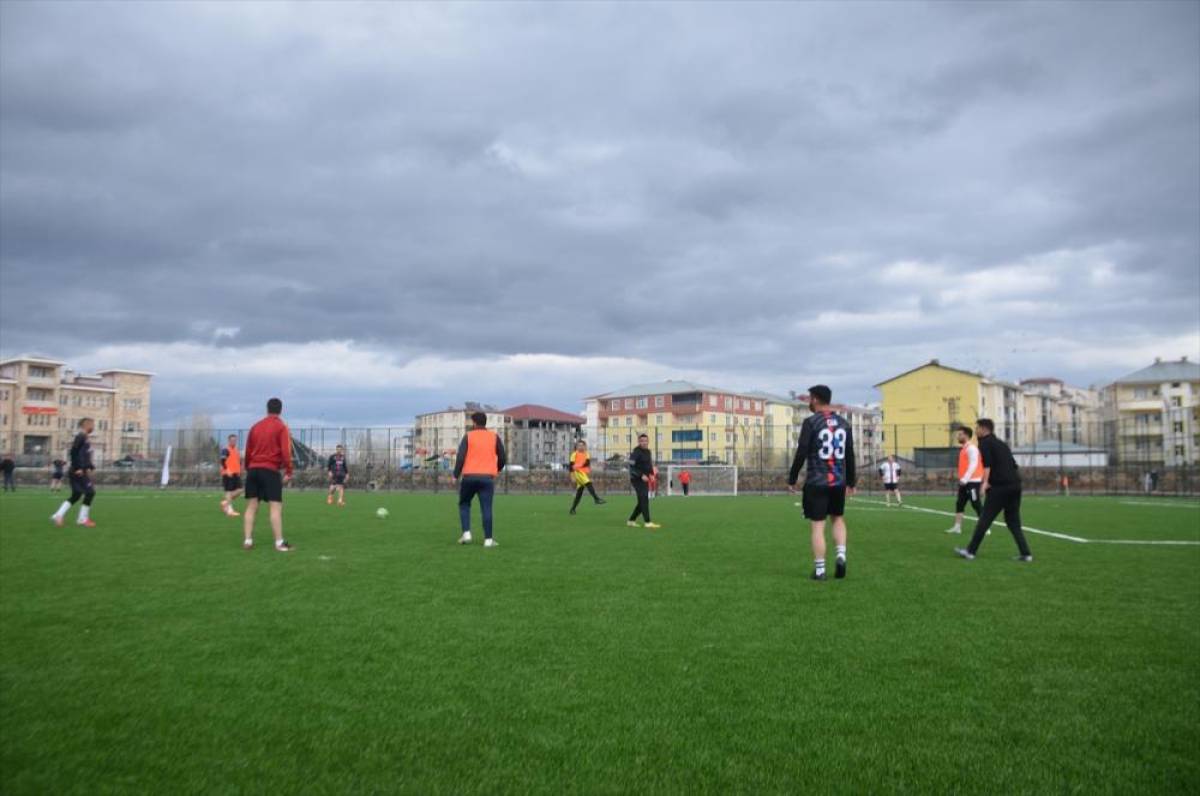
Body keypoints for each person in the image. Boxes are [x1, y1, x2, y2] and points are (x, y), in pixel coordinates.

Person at [788, 385, 856, 581]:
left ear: (816, 399)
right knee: (838, 519)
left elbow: (802, 451)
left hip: (816, 482)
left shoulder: (811, 422)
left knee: (818, 526)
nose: (809, 401)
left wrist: (792, 478)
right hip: (838, 482)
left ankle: (820, 571)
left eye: (810, 398)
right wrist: (851, 481)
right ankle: (841, 555)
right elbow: (850, 454)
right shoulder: (844, 423)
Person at [955, 418, 1033, 562]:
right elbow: (1014, 465)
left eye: (977, 428)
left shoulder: (985, 443)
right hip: (1015, 486)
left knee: (985, 519)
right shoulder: (1001, 444)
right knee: (1013, 522)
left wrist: (985, 484)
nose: (976, 431)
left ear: (984, 429)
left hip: (1000, 488)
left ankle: (970, 551)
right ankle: (1026, 554)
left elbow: (987, 466)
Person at [242, 398, 294, 552]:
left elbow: (248, 450)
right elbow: (286, 452)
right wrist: (289, 471)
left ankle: (248, 541)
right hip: (270, 470)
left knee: (252, 506)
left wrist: (248, 468)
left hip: (253, 470)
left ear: (267, 409)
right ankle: (279, 543)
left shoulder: (255, 427)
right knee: (275, 507)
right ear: (281, 410)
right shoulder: (281, 427)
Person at [453, 411, 507, 547]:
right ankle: (488, 540)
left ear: (474, 423)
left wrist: (455, 474)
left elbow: (460, 457)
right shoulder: (494, 437)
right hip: (487, 478)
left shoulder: (468, 436)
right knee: (486, 508)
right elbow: (502, 457)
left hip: (469, 477)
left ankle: (466, 533)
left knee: (464, 504)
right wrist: (497, 469)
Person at [50, 418, 98, 527]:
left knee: (77, 494)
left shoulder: (84, 437)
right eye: (92, 424)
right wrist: (79, 468)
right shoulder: (81, 436)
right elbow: (74, 452)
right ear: (86, 425)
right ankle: (82, 519)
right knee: (90, 492)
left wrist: (90, 466)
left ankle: (58, 515)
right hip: (77, 471)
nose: (93, 427)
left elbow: (84, 455)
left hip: (78, 470)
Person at [946, 426, 984, 534]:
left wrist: (965, 478)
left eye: (960, 434)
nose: (958, 436)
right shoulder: (964, 449)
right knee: (960, 503)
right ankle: (957, 527)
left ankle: (985, 527)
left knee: (976, 504)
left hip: (973, 481)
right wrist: (963, 479)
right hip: (965, 482)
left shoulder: (972, 448)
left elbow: (973, 464)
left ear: (966, 435)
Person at [627, 433, 660, 529]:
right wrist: (641, 475)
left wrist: (651, 474)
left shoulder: (648, 452)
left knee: (642, 501)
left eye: (646, 441)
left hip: (645, 479)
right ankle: (647, 522)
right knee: (644, 499)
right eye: (642, 441)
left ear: (648, 441)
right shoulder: (636, 452)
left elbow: (649, 465)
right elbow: (631, 466)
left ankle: (631, 520)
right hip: (636, 479)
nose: (644, 443)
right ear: (639, 442)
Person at [568, 440, 605, 515]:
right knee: (588, 483)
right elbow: (571, 466)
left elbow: (587, 463)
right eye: (579, 445)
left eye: (582, 445)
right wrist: (572, 476)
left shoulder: (586, 454)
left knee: (579, 493)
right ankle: (596, 499)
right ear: (576, 447)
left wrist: (578, 465)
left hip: (583, 473)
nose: (580, 447)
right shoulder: (574, 454)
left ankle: (572, 509)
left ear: (585, 446)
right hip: (577, 472)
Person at [219, 434, 243, 517]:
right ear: (229, 441)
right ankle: (229, 511)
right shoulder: (225, 450)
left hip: (236, 474)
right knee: (228, 491)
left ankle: (225, 502)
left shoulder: (236, 450)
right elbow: (222, 460)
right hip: (228, 474)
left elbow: (238, 462)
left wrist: (240, 470)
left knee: (240, 490)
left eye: (235, 440)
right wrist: (227, 470)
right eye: (232, 440)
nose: (234, 442)